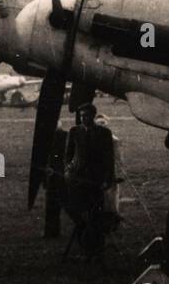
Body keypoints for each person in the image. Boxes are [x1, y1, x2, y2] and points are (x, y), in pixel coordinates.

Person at [64, 103, 116, 260]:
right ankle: (84, 247)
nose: (83, 118)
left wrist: (108, 179)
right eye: (81, 116)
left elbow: (109, 158)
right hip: (78, 179)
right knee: (79, 214)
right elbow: (68, 154)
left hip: (96, 179)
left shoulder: (104, 133)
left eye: (86, 115)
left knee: (96, 215)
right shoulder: (74, 132)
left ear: (93, 116)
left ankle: (97, 249)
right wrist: (68, 170)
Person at [43, 123, 69, 238]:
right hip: (53, 174)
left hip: (60, 173)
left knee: (59, 202)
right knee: (52, 203)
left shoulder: (64, 136)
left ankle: (52, 231)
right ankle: (51, 231)